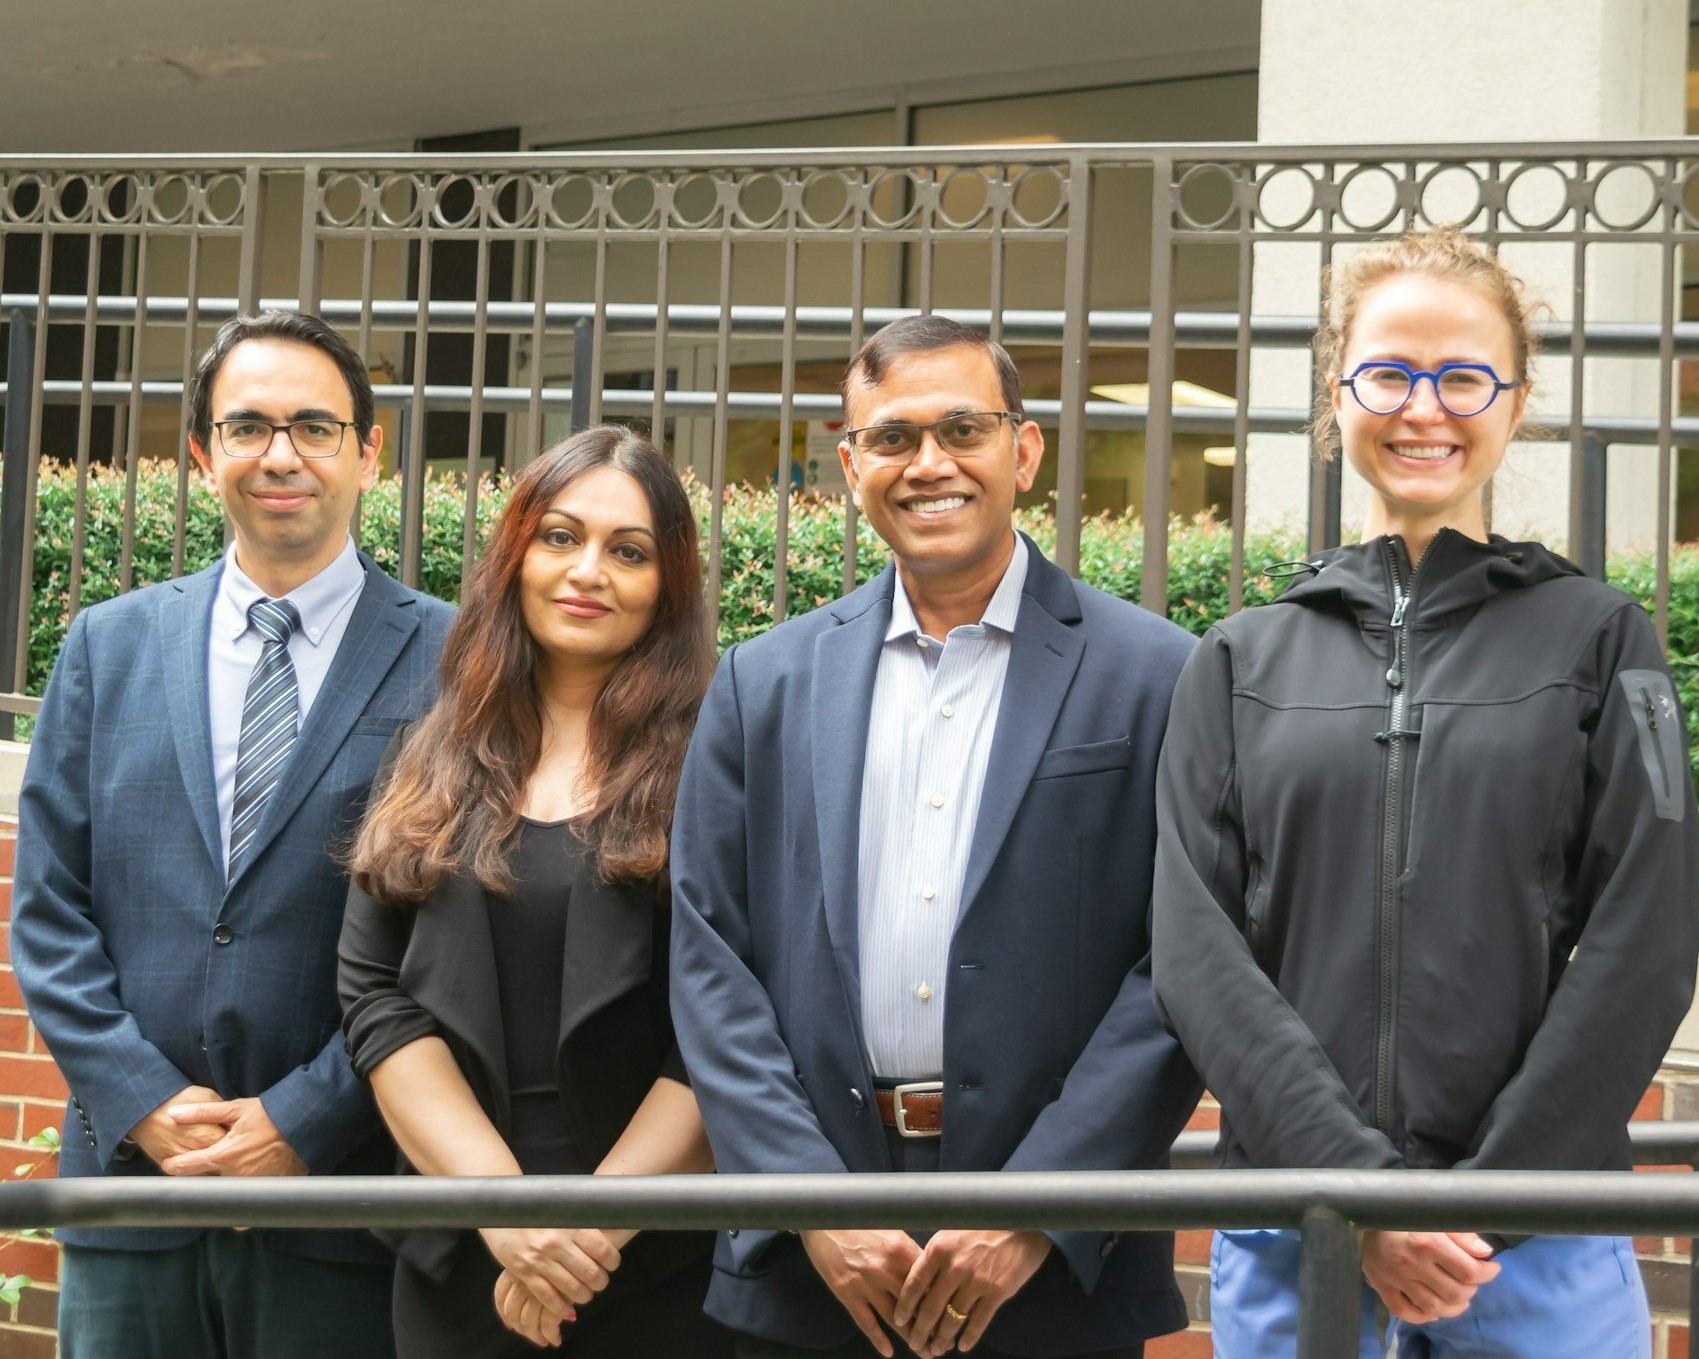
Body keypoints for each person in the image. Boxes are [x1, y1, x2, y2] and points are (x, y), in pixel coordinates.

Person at [1152, 226, 1699, 1358]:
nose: (1424, 409)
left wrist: (1481, 1206)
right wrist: (1353, 1193)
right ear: (1335, 392)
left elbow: (1647, 935)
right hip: (1298, 1231)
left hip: (1535, 1244)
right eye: (1389, 373)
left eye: (1462, 377)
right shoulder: (1238, 658)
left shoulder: (1603, 641)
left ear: (1515, 400)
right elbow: (1196, 953)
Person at [669, 314, 1202, 1359]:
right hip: (813, 1274)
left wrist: (1035, 1208)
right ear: (850, 466)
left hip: (1053, 1275)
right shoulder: (761, 684)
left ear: (1024, 450)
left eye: (963, 429)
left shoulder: (1160, 675)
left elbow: (1180, 967)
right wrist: (807, 1200)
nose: (929, 465)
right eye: (893, 438)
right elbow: (706, 956)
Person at [11, 310, 455, 1358]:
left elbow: (454, 942)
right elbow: (49, 911)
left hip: (339, 1206)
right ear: (204, 454)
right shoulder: (107, 645)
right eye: (248, 427)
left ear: (368, 452)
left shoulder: (453, 662)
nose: (280, 455)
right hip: (131, 1195)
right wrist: (145, 1101)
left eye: (314, 426)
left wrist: (306, 1119)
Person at [338, 425, 732, 1359]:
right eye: (560, 536)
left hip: (652, 1256)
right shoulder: (430, 753)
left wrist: (586, 1236)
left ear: (668, 583)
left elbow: (732, 1021)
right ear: (515, 554)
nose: (587, 570)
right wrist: (505, 1212)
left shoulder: (723, 763)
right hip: (462, 1248)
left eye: (628, 551)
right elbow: (375, 996)